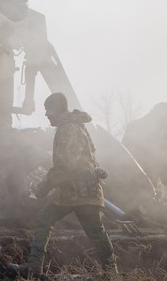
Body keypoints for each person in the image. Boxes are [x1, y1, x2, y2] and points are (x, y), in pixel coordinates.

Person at [7, 92, 117, 278]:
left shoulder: (70, 129)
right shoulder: (71, 127)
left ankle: (110, 271)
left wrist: (42, 190)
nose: (46, 114)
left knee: (92, 230)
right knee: (52, 220)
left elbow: (65, 166)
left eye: (48, 110)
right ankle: (110, 271)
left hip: (79, 192)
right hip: (74, 191)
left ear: (57, 110)